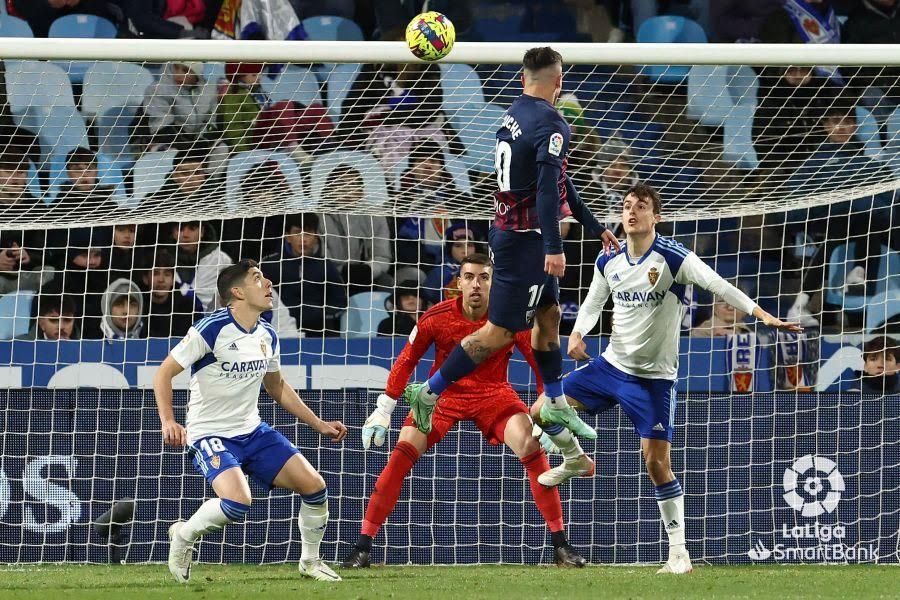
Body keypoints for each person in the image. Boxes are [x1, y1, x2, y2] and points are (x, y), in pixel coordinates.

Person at [529, 183, 800, 575]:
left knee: (656, 463)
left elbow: (719, 285)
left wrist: (763, 315)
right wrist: (578, 332)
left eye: (641, 206)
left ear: (656, 216)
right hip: (610, 367)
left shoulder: (673, 258)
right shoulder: (609, 259)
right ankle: (575, 460)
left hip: (654, 381)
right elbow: (593, 301)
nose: (631, 212)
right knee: (541, 411)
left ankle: (679, 554)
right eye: (626, 206)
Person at [403, 47, 619, 441]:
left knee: (550, 315)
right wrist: (555, 246)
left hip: (520, 233)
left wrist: (592, 225)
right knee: (499, 333)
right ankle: (428, 391)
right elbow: (546, 192)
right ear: (559, 82)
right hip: (523, 242)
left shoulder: (513, 114)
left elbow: (555, 180)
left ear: (523, 79)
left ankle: (555, 403)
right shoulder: (553, 124)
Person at [341, 254, 586, 569]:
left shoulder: (511, 318)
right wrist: (384, 408)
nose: (476, 284)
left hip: (495, 394)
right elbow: (406, 360)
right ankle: (363, 546)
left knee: (531, 446)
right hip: (442, 396)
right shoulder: (436, 316)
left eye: (484, 277)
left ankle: (561, 546)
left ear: (493, 284)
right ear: (457, 284)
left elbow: (541, 362)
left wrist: (546, 409)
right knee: (400, 454)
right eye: (469, 277)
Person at [153, 260, 347, 583]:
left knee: (316, 487)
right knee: (238, 502)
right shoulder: (210, 329)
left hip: (253, 430)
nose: (268, 283)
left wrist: (320, 424)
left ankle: (310, 562)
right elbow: (163, 373)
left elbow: (277, 387)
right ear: (237, 292)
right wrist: (168, 421)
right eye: (258, 279)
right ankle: (184, 536)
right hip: (209, 433)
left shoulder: (268, 335)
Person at [261, 213, 346, 337]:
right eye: (297, 232)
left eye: (308, 233)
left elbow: (340, 302)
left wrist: (322, 314)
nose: (303, 239)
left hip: (320, 331)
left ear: (316, 236)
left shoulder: (326, 266)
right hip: (280, 330)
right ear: (288, 236)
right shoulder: (271, 265)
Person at [318, 166, 393, 294]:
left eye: (352, 185)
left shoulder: (375, 216)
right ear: (329, 190)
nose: (347, 190)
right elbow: (318, 256)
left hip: (368, 276)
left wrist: (369, 270)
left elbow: (382, 255)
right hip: (331, 277)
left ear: (361, 192)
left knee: (388, 282)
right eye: (340, 184)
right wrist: (342, 271)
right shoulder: (317, 218)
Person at [143, 62, 217, 148]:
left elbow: (211, 121)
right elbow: (161, 127)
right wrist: (187, 145)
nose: (178, 74)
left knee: (220, 149)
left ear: (196, 74)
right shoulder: (158, 90)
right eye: (176, 67)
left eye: (186, 70)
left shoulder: (208, 90)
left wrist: (203, 139)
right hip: (166, 143)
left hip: (196, 142)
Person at [139, 249, 200, 338]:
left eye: (167, 274)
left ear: (172, 280)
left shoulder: (186, 308)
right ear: (145, 278)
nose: (161, 280)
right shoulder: (138, 308)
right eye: (156, 274)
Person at [422, 223, 478, 304]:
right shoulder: (439, 273)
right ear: (449, 248)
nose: (465, 250)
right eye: (458, 246)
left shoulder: (484, 270)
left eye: (469, 245)